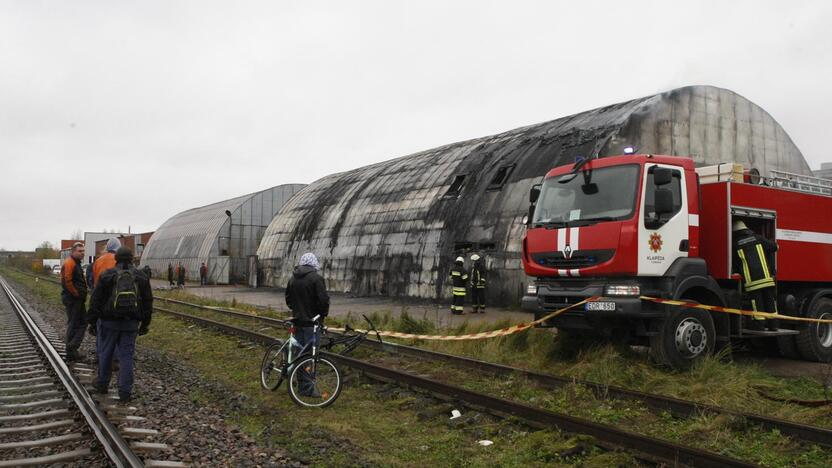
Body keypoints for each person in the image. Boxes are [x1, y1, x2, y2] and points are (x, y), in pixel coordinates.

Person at [88, 247, 153, 403]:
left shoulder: (107, 275)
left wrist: (92, 321)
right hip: (131, 323)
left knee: (106, 353)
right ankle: (125, 392)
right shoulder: (141, 276)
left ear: (116, 258)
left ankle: (103, 384)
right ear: (131, 259)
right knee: (126, 356)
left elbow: (96, 300)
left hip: (109, 322)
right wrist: (145, 324)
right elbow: (148, 301)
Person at [285, 252, 330, 397]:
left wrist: (297, 311)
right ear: (314, 264)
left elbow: (288, 300)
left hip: (297, 322)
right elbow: (323, 301)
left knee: (299, 354)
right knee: (310, 356)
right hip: (312, 324)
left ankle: (300, 384)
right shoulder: (316, 279)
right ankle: (307, 389)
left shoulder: (292, 278)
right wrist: (321, 315)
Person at [732, 220, 779, 331]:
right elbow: (774, 247)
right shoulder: (758, 238)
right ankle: (774, 325)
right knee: (769, 301)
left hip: (752, 281)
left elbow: (735, 263)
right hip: (766, 278)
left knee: (757, 303)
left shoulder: (735, 244)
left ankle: (760, 325)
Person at [61, 242, 88, 362]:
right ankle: (71, 349)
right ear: (73, 252)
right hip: (73, 300)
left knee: (79, 323)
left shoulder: (75, 263)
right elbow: (67, 281)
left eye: (83, 251)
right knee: (75, 323)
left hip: (77, 299)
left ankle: (72, 349)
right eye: (80, 251)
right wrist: (76, 293)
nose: (82, 253)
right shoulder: (70, 263)